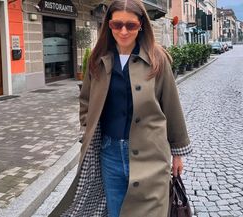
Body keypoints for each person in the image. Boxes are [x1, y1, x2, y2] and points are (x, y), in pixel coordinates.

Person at [49, 0, 192, 216]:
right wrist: (88, 127)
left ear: (141, 25)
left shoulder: (157, 59)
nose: (123, 31)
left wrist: (178, 153)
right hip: (110, 153)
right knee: (115, 212)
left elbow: (172, 106)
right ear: (109, 25)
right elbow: (86, 100)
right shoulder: (98, 59)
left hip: (151, 154)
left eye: (131, 25)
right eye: (117, 25)